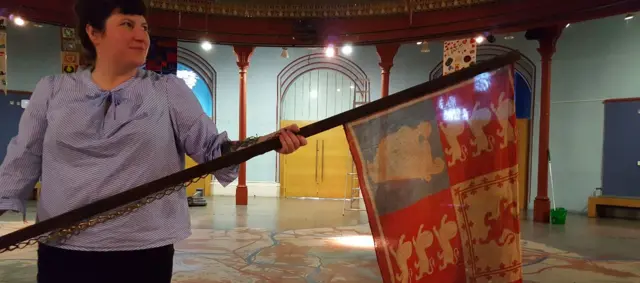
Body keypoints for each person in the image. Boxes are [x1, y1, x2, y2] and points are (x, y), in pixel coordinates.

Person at [0, 0, 307, 282]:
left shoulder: (167, 91)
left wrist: (266, 142)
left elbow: (214, 150)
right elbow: (22, 159)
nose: (141, 36)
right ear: (94, 32)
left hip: (144, 249)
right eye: (127, 25)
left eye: (144, 27)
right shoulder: (53, 91)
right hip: (64, 247)